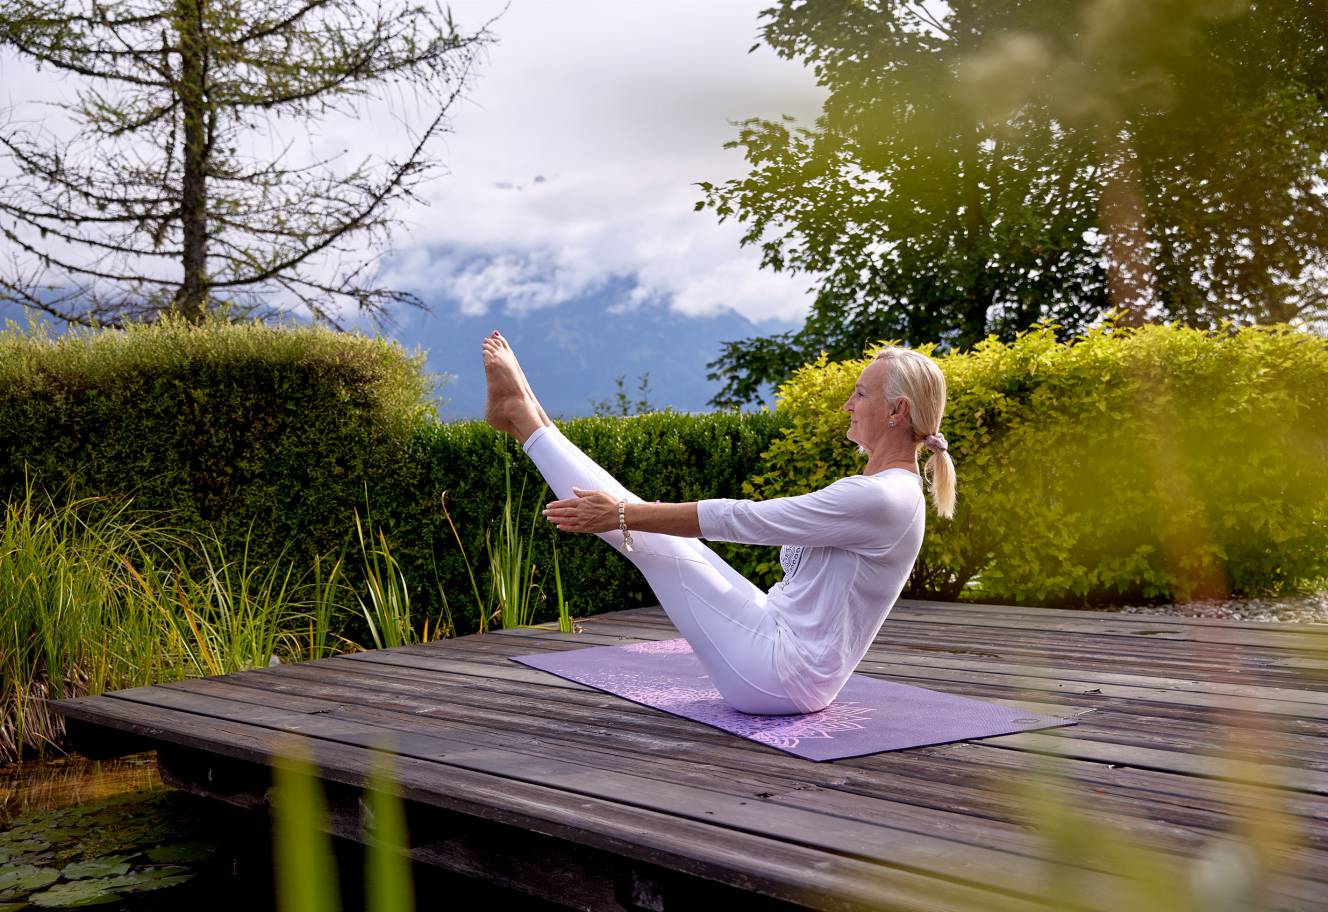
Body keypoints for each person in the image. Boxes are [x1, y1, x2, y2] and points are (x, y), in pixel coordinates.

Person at [481, 330, 955, 715]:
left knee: (642, 529)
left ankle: (525, 420)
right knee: (648, 527)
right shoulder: (885, 493)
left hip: (780, 678)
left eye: (859, 393)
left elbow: (745, 519)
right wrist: (637, 514)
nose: (848, 405)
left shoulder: (882, 498)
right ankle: (530, 416)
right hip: (782, 645)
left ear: (898, 411)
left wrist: (624, 515)